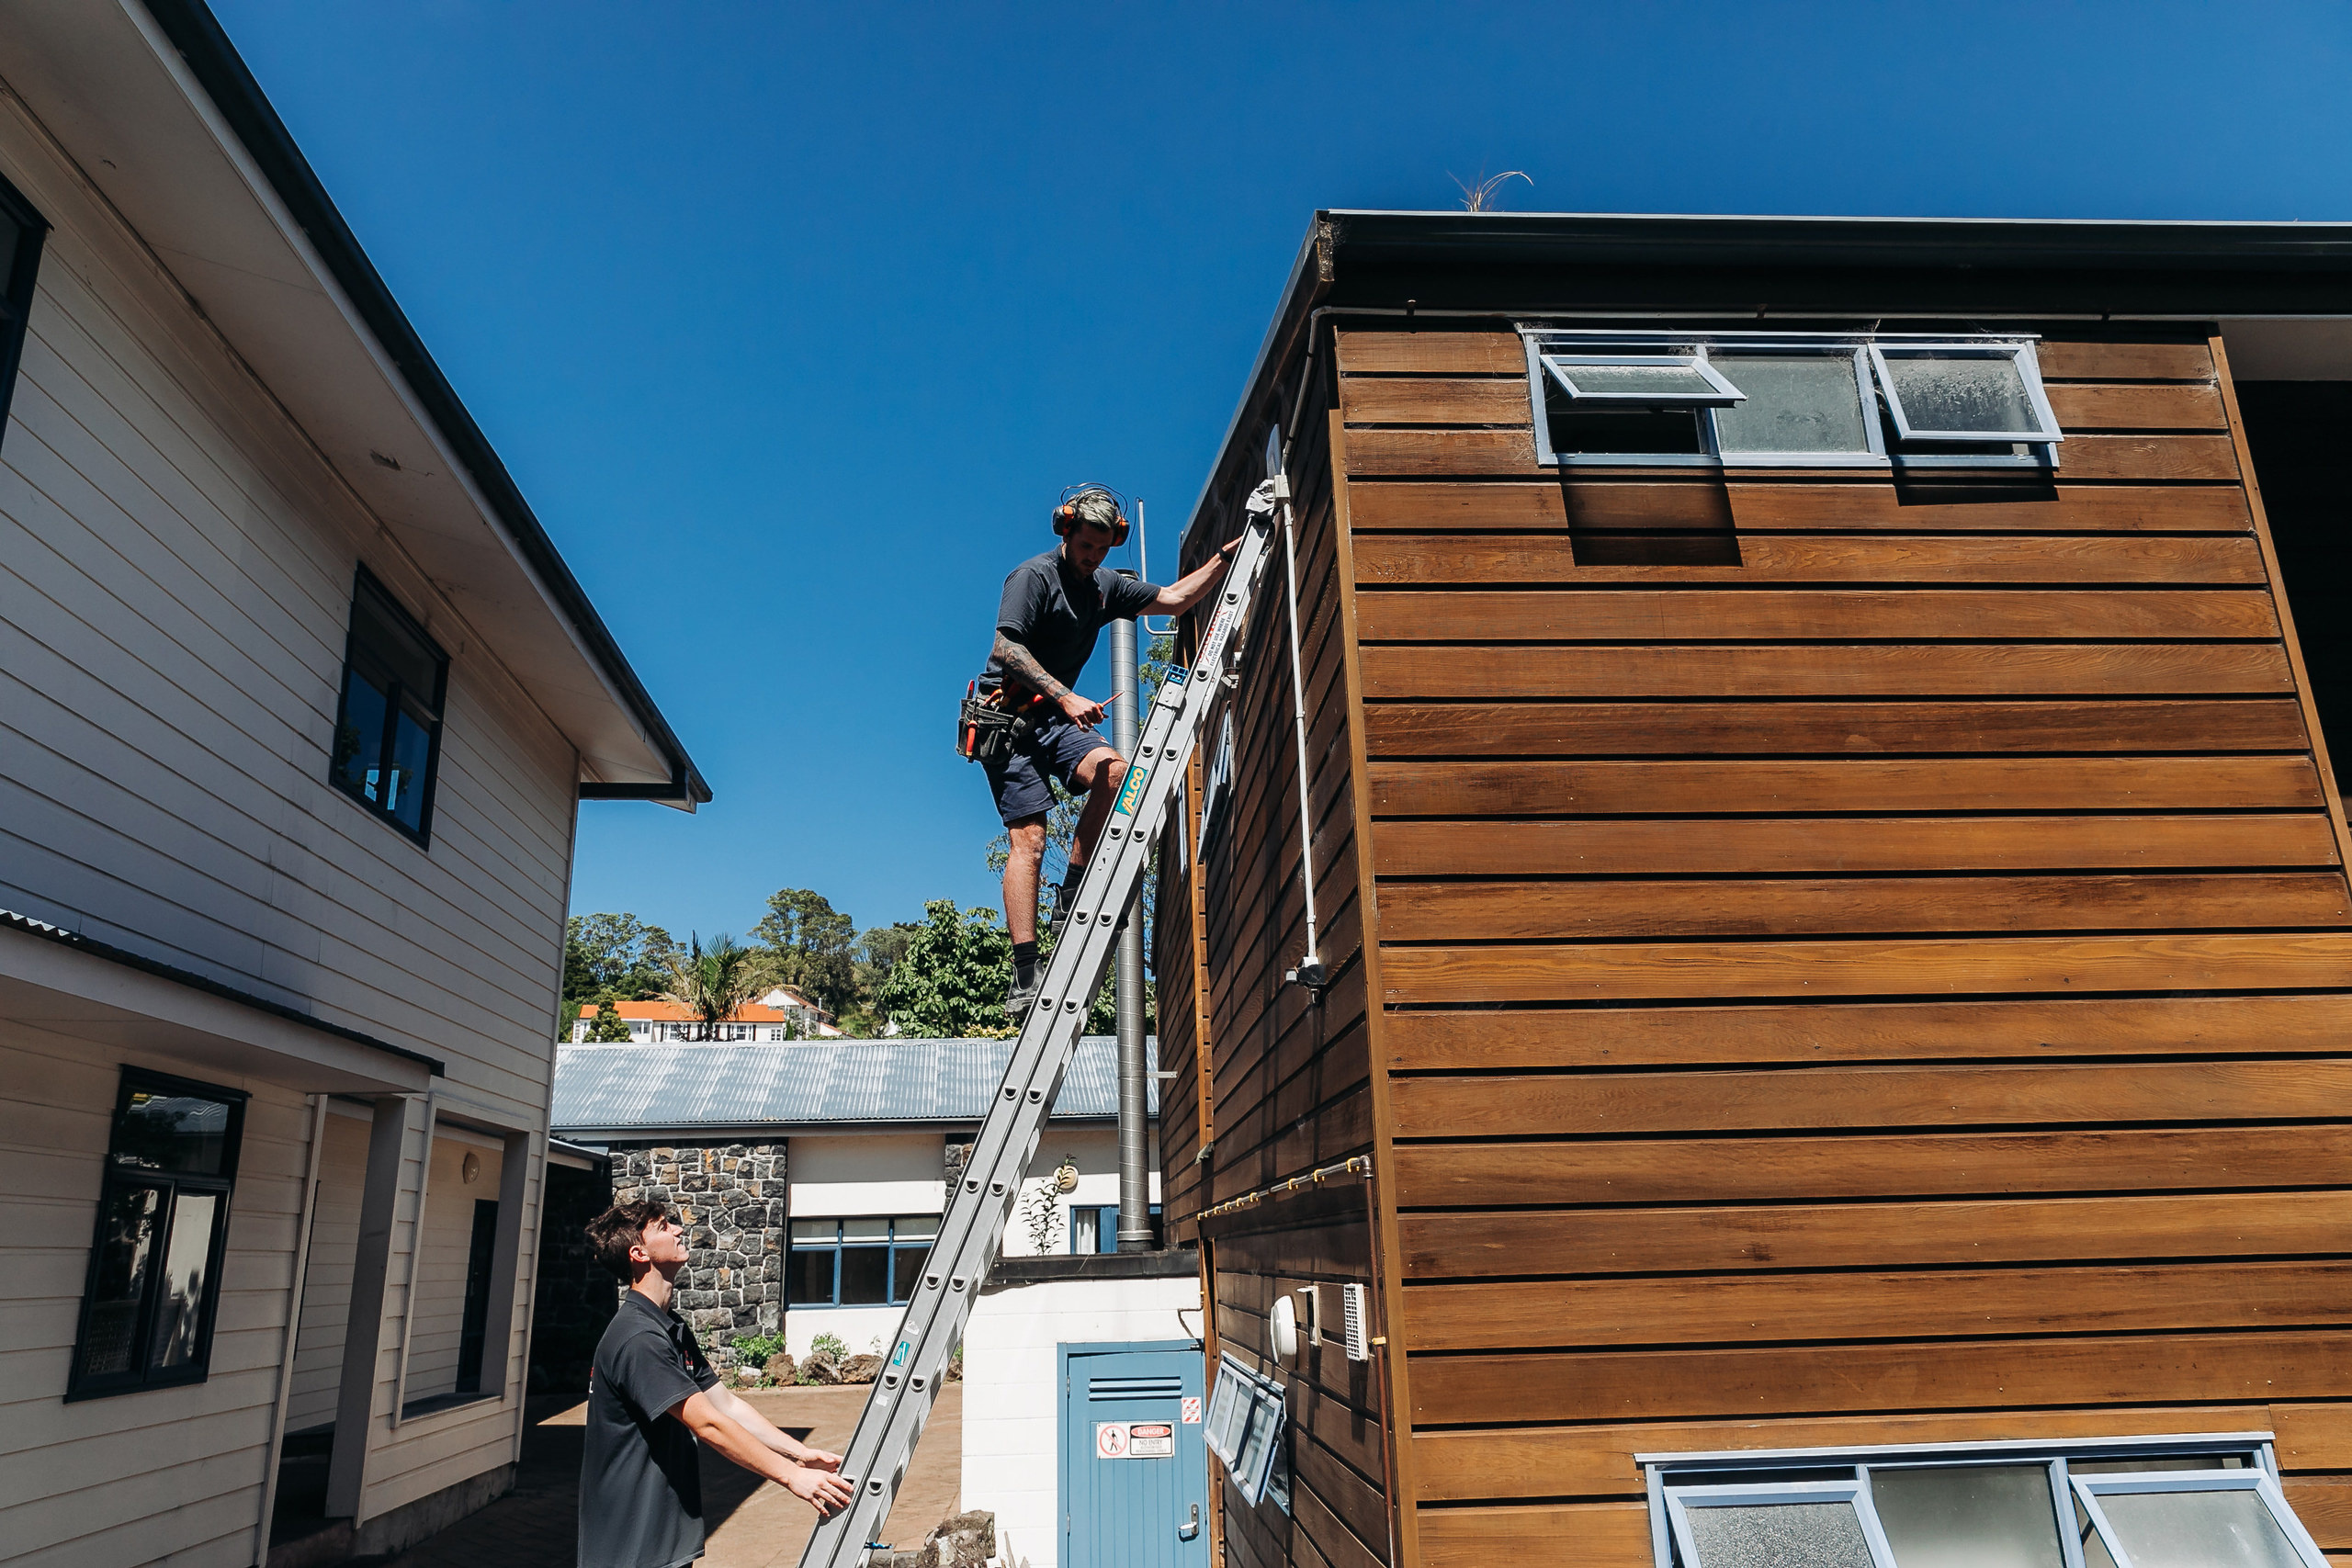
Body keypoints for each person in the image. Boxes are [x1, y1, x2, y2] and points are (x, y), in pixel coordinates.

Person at [979, 487, 1238, 1021]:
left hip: (1053, 717)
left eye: (1102, 548)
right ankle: (1025, 971)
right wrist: (1067, 694)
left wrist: (1222, 560)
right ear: (1065, 531)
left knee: (1117, 772)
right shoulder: (1032, 577)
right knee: (1028, 841)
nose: (1092, 556)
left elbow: (1171, 600)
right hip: (1006, 720)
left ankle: (1071, 890)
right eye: (1085, 546)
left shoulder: (1106, 586)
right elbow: (1004, 648)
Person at [579, 1200, 853, 1568]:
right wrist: (791, 1477)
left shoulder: (668, 1327)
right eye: (663, 1227)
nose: (677, 1229)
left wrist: (799, 1454)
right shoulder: (638, 1339)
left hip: (660, 1542)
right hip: (631, 1547)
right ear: (639, 1253)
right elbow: (708, 1423)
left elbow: (726, 1405)